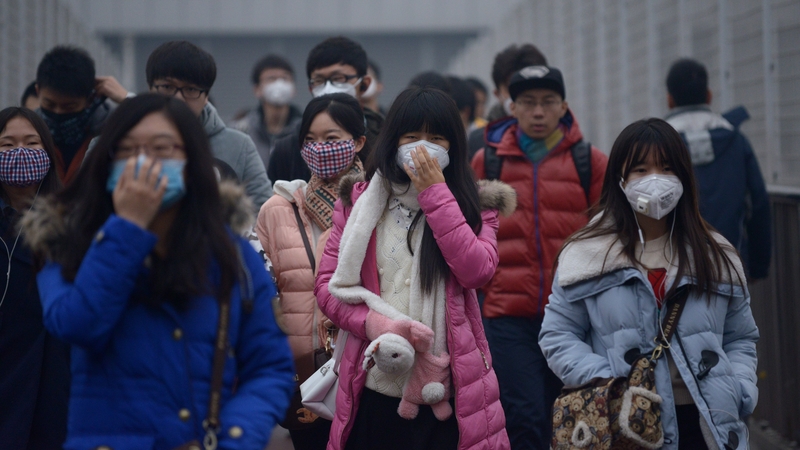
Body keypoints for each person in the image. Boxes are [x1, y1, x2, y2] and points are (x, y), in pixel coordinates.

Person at [23, 94, 294, 449]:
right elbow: (78, 324)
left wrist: (234, 438)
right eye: (128, 149)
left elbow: (268, 367)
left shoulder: (231, 256)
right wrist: (128, 228)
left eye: (162, 149)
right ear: (107, 162)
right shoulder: (66, 246)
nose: (144, 162)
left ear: (190, 160)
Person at [539, 118, 759, 449]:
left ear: (684, 176)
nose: (655, 180)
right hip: (627, 425)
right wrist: (608, 382)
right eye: (641, 169)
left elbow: (740, 337)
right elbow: (557, 336)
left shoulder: (717, 254)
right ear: (620, 179)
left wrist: (740, 388)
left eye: (667, 168)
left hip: (707, 422)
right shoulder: (585, 255)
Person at [315, 87, 514, 450]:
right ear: (394, 141)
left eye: (436, 138)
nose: (423, 148)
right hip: (372, 384)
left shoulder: (475, 206)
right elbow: (328, 289)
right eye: (412, 137)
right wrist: (378, 325)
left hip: (445, 392)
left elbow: (477, 272)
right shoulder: (359, 204)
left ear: (453, 146)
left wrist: (436, 194)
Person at [470, 65, 608, 450]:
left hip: (574, 315)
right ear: (511, 107)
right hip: (507, 316)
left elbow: (611, 233)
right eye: (528, 103)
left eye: (548, 102)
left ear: (563, 106)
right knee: (524, 417)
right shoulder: (487, 162)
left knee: (572, 416)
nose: (538, 112)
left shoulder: (589, 162)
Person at [256, 93, 367, 449]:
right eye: (310, 140)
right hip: (304, 374)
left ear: (359, 142)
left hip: (368, 370)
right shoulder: (277, 210)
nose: (319, 148)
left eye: (331, 139)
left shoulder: (377, 204)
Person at [665, 58, 771, 280]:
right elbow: (758, 204)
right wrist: (757, 266)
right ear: (709, 95)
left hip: (673, 271)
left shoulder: (658, 145)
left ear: (669, 100)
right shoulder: (736, 140)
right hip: (731, 266)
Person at [0, 107, 68, 450]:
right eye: (7, 145)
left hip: (53, 382)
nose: (19, 153)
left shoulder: (69, 222)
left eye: (31, 143)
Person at [146, 40, 273, 207]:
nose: (178, 98)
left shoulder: (239, 147)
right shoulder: (124, 141)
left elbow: (263, 212)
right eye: (167, 87)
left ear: (206, 96)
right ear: (150, 88)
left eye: (190, 89)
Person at [269, 36, 384, 184]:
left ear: (365, 84)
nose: (328, 88)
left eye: (339, 78)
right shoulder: (288, 148)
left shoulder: (386, 141)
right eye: (319, 81)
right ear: (310, 88)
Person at [34, 46, 127, 183]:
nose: (58, 112)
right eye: (49, 104)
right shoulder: (27, 130)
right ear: (37, 91)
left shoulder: (113, 130)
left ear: (91, 99)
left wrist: (127, 99)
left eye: (69, 106)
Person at [468, 44, 548, 159]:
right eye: (512, 88)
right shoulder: (480, 142)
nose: (522, 97)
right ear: (497, 94)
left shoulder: (565, 139)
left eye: (529, 88)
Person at [233, 54, 303, 172]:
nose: (279, 84)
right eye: (271, 78)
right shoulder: (241, 131)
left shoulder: (305, 130)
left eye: (285, 79)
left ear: (293, 89)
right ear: (257, 89)